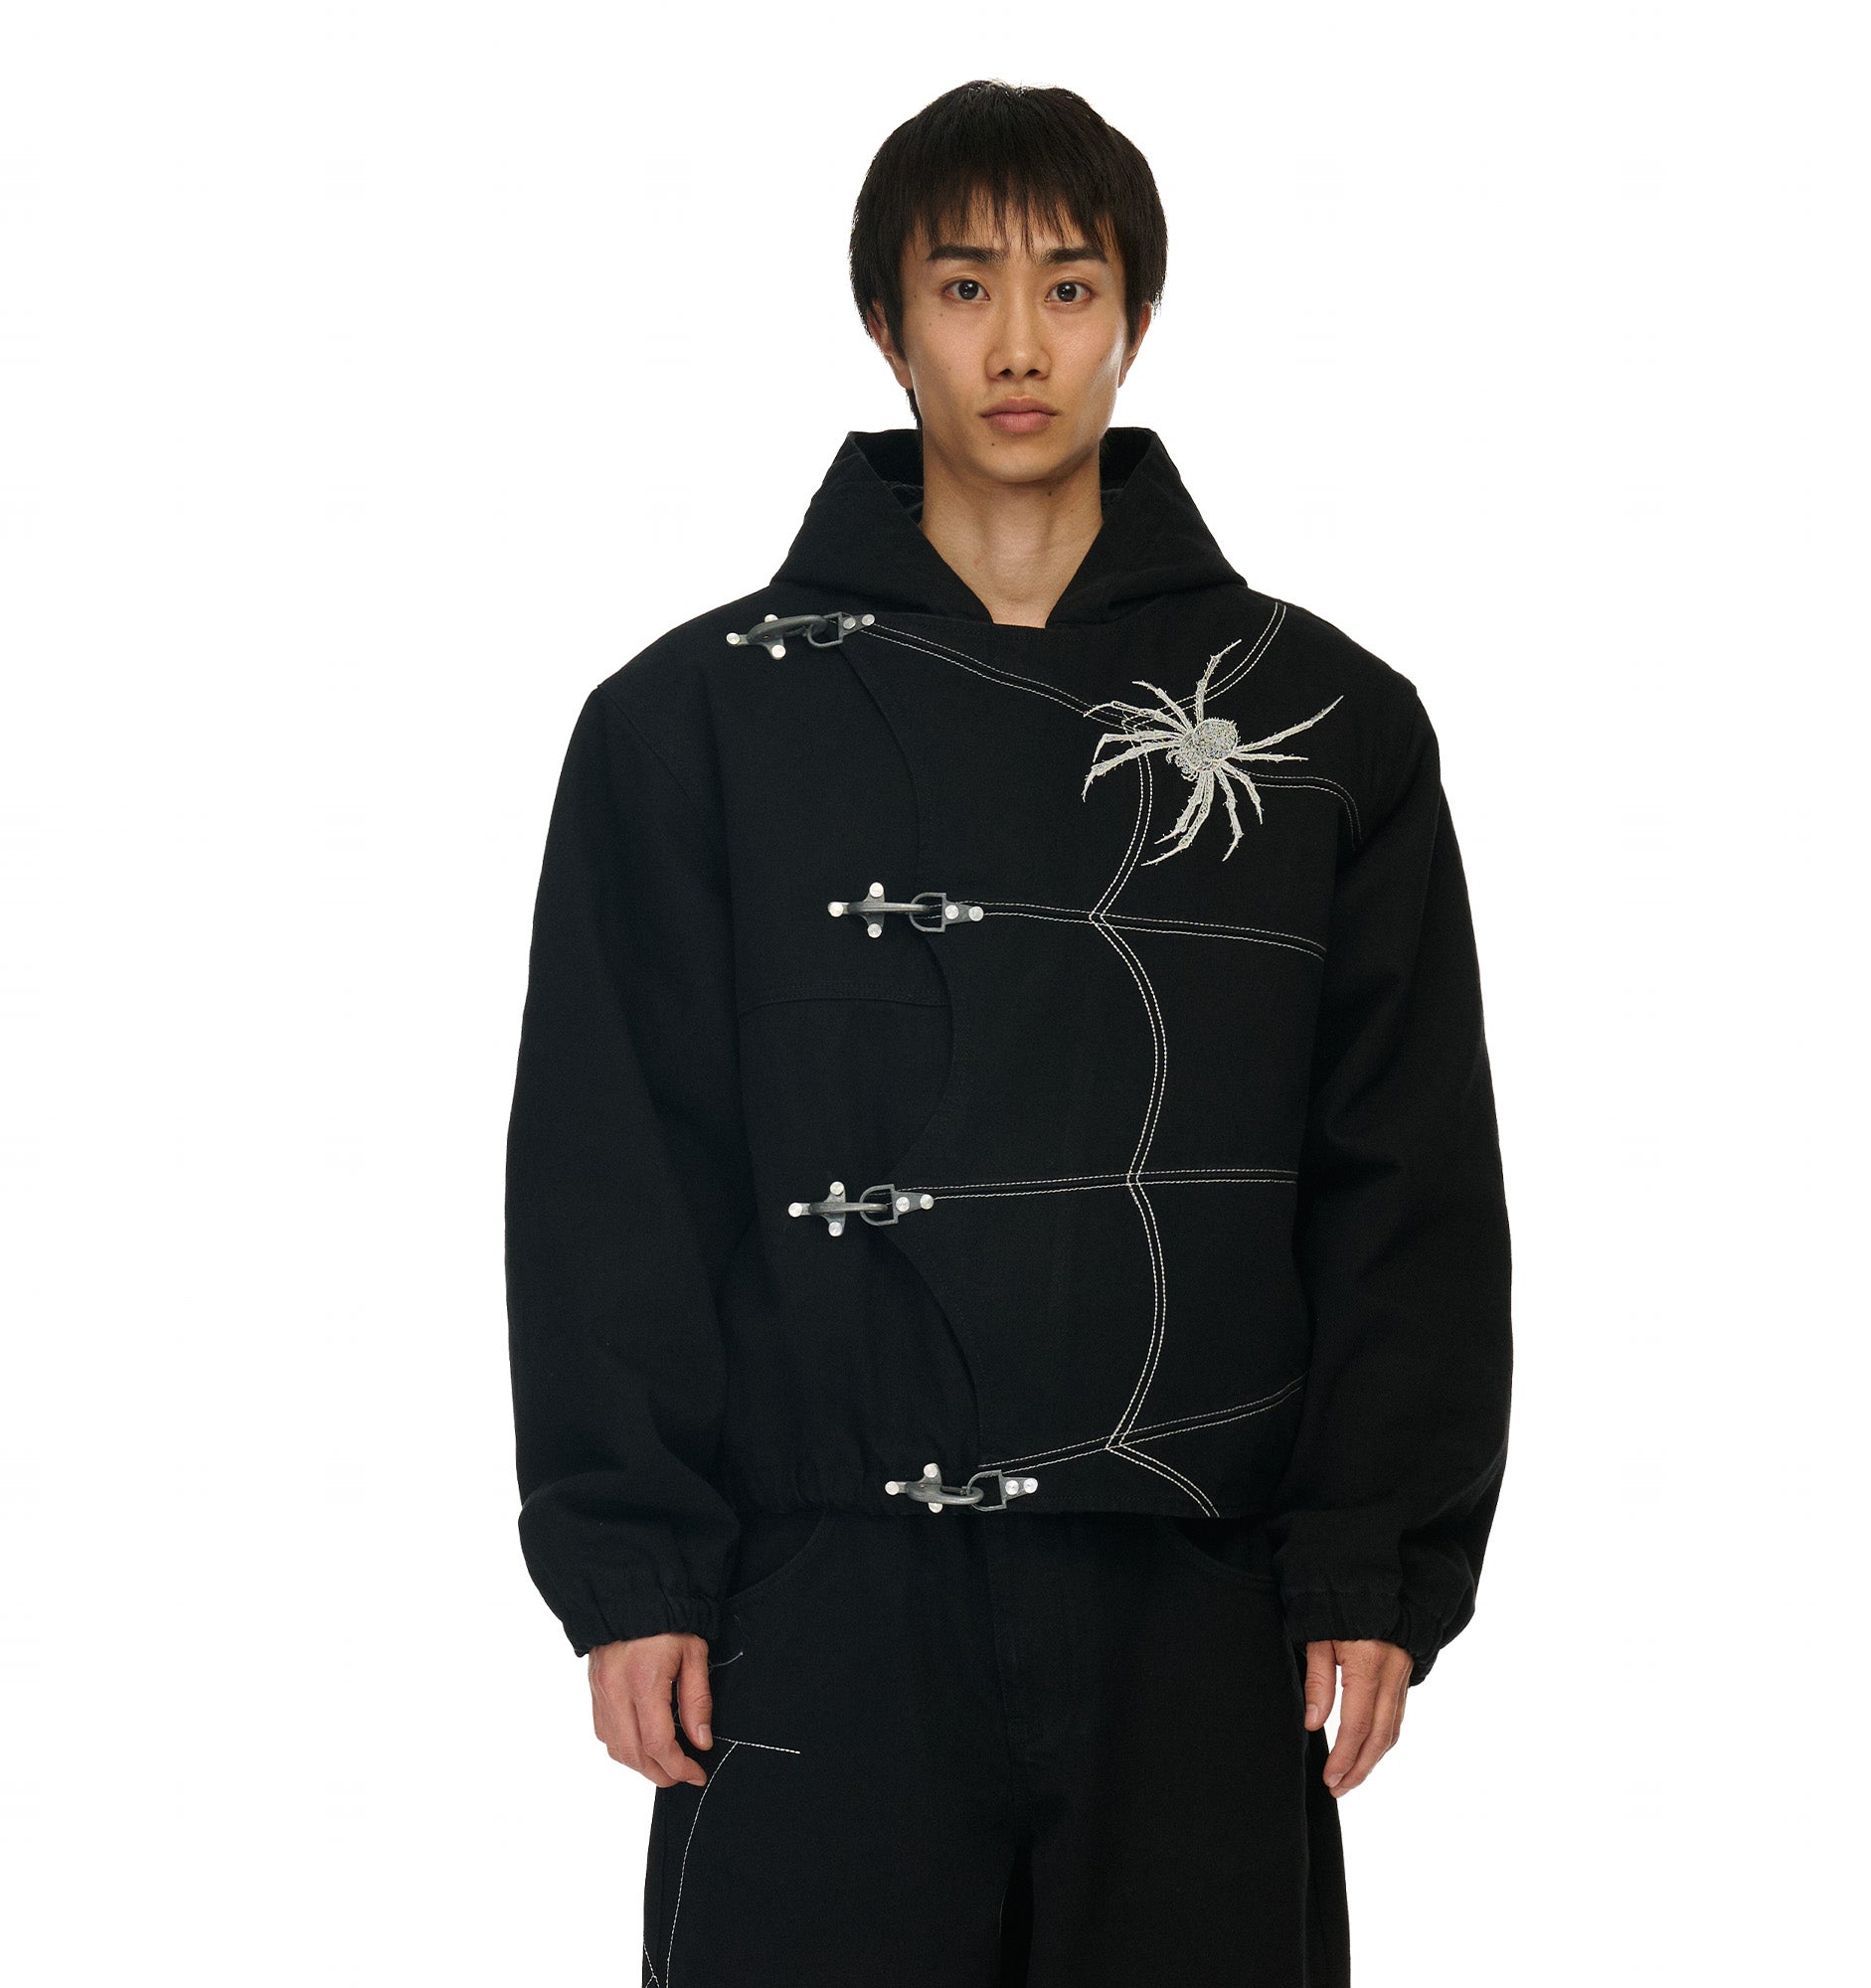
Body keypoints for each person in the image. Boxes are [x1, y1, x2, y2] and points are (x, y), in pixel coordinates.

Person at [506, 79, 1512, 1988]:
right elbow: (610, 1166)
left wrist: (1374, 1558)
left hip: (1201, 1597)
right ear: (886, 322)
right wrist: (632, 1561)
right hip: (813, 1596)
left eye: (1070, 283)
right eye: (965, 286)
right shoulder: (687, 723)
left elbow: (1406, 1172)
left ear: (1138, 313)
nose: (1022, 343)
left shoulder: (1325, 725)